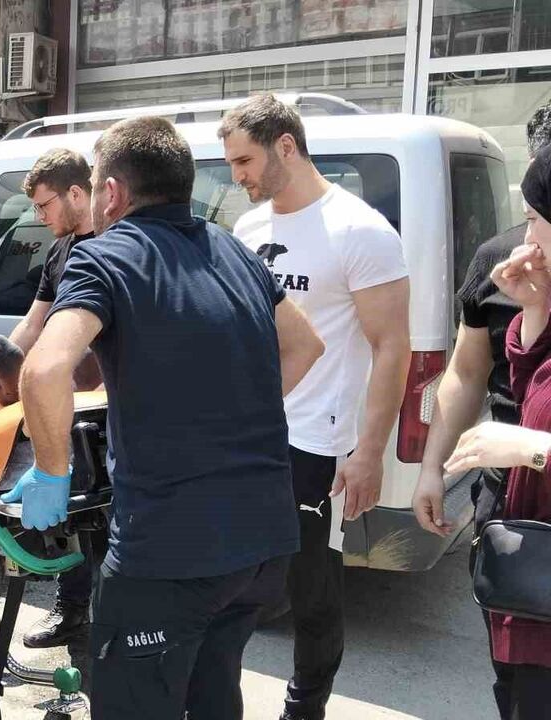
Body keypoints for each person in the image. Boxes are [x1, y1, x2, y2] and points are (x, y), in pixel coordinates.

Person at [10, 116, 325, 719]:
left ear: (111, 193)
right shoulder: (235, 250)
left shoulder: (103, 257)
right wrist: (230, 411)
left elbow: (43, 371)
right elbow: (305, 344)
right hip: (262, 541)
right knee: (213, 693)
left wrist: (52, 471)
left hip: (170, 550)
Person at [221, 94, 412, 720]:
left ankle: (305, 707)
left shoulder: (360, 230)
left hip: (318, 442)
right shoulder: (249, 230)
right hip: (251, 434)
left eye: (245, 161)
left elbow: (392, 348)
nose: (237, 177)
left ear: (286, 146)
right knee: (235, 582)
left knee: (313, 588)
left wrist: (369, 453)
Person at [412, 101, 551, 719]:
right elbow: (470, 372)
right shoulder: (505, 266)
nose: (527, 238)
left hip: (529, 467)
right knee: (517, 675)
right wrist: (432, 468)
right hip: (514, 500)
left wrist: (532, 448)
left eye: (536, 215)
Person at [6, 148, 104, 649]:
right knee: (74, 514)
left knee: (105, 519)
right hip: (69, 402)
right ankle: (72, 611)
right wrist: (2, 369)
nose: (40, 217)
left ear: (76, 193)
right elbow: (34, 321)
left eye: (45, 205)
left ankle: (113, 625)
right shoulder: (59, 251)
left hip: (109, 402)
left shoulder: (113, 244)